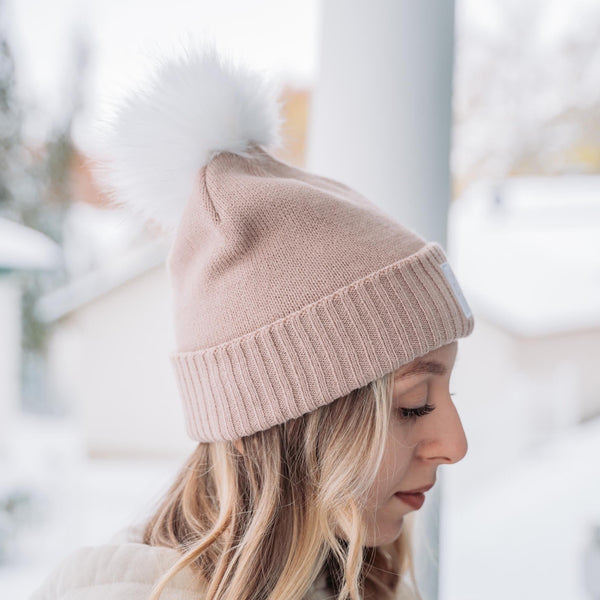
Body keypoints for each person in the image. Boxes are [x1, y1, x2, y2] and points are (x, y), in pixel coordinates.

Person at [30, 41, 475, 600]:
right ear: (264, 425)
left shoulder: (370, 585)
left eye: (446, 393)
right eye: (412, 405)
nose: (454, 444)